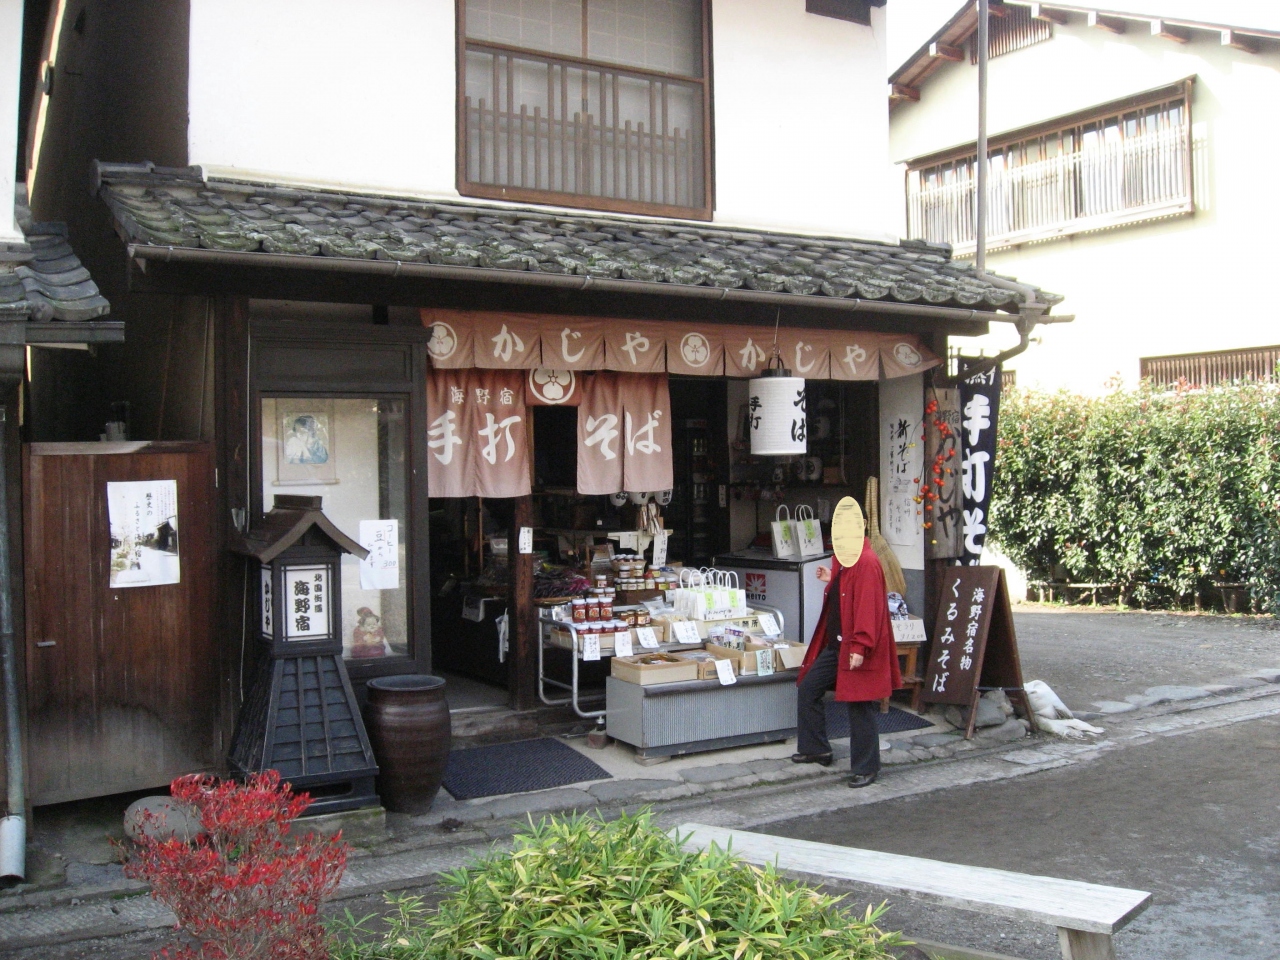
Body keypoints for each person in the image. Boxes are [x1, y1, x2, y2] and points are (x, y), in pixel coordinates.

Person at [792, 536, 901, 787]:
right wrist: (832, 577)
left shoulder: (867, 561)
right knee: (808, 688)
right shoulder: (847, 558)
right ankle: (817, 749)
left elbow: (867, 607)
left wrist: (860, 646)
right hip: (838, 645)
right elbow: (847, 592)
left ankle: (867, 768)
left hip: (855, 645)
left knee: (860, 705)